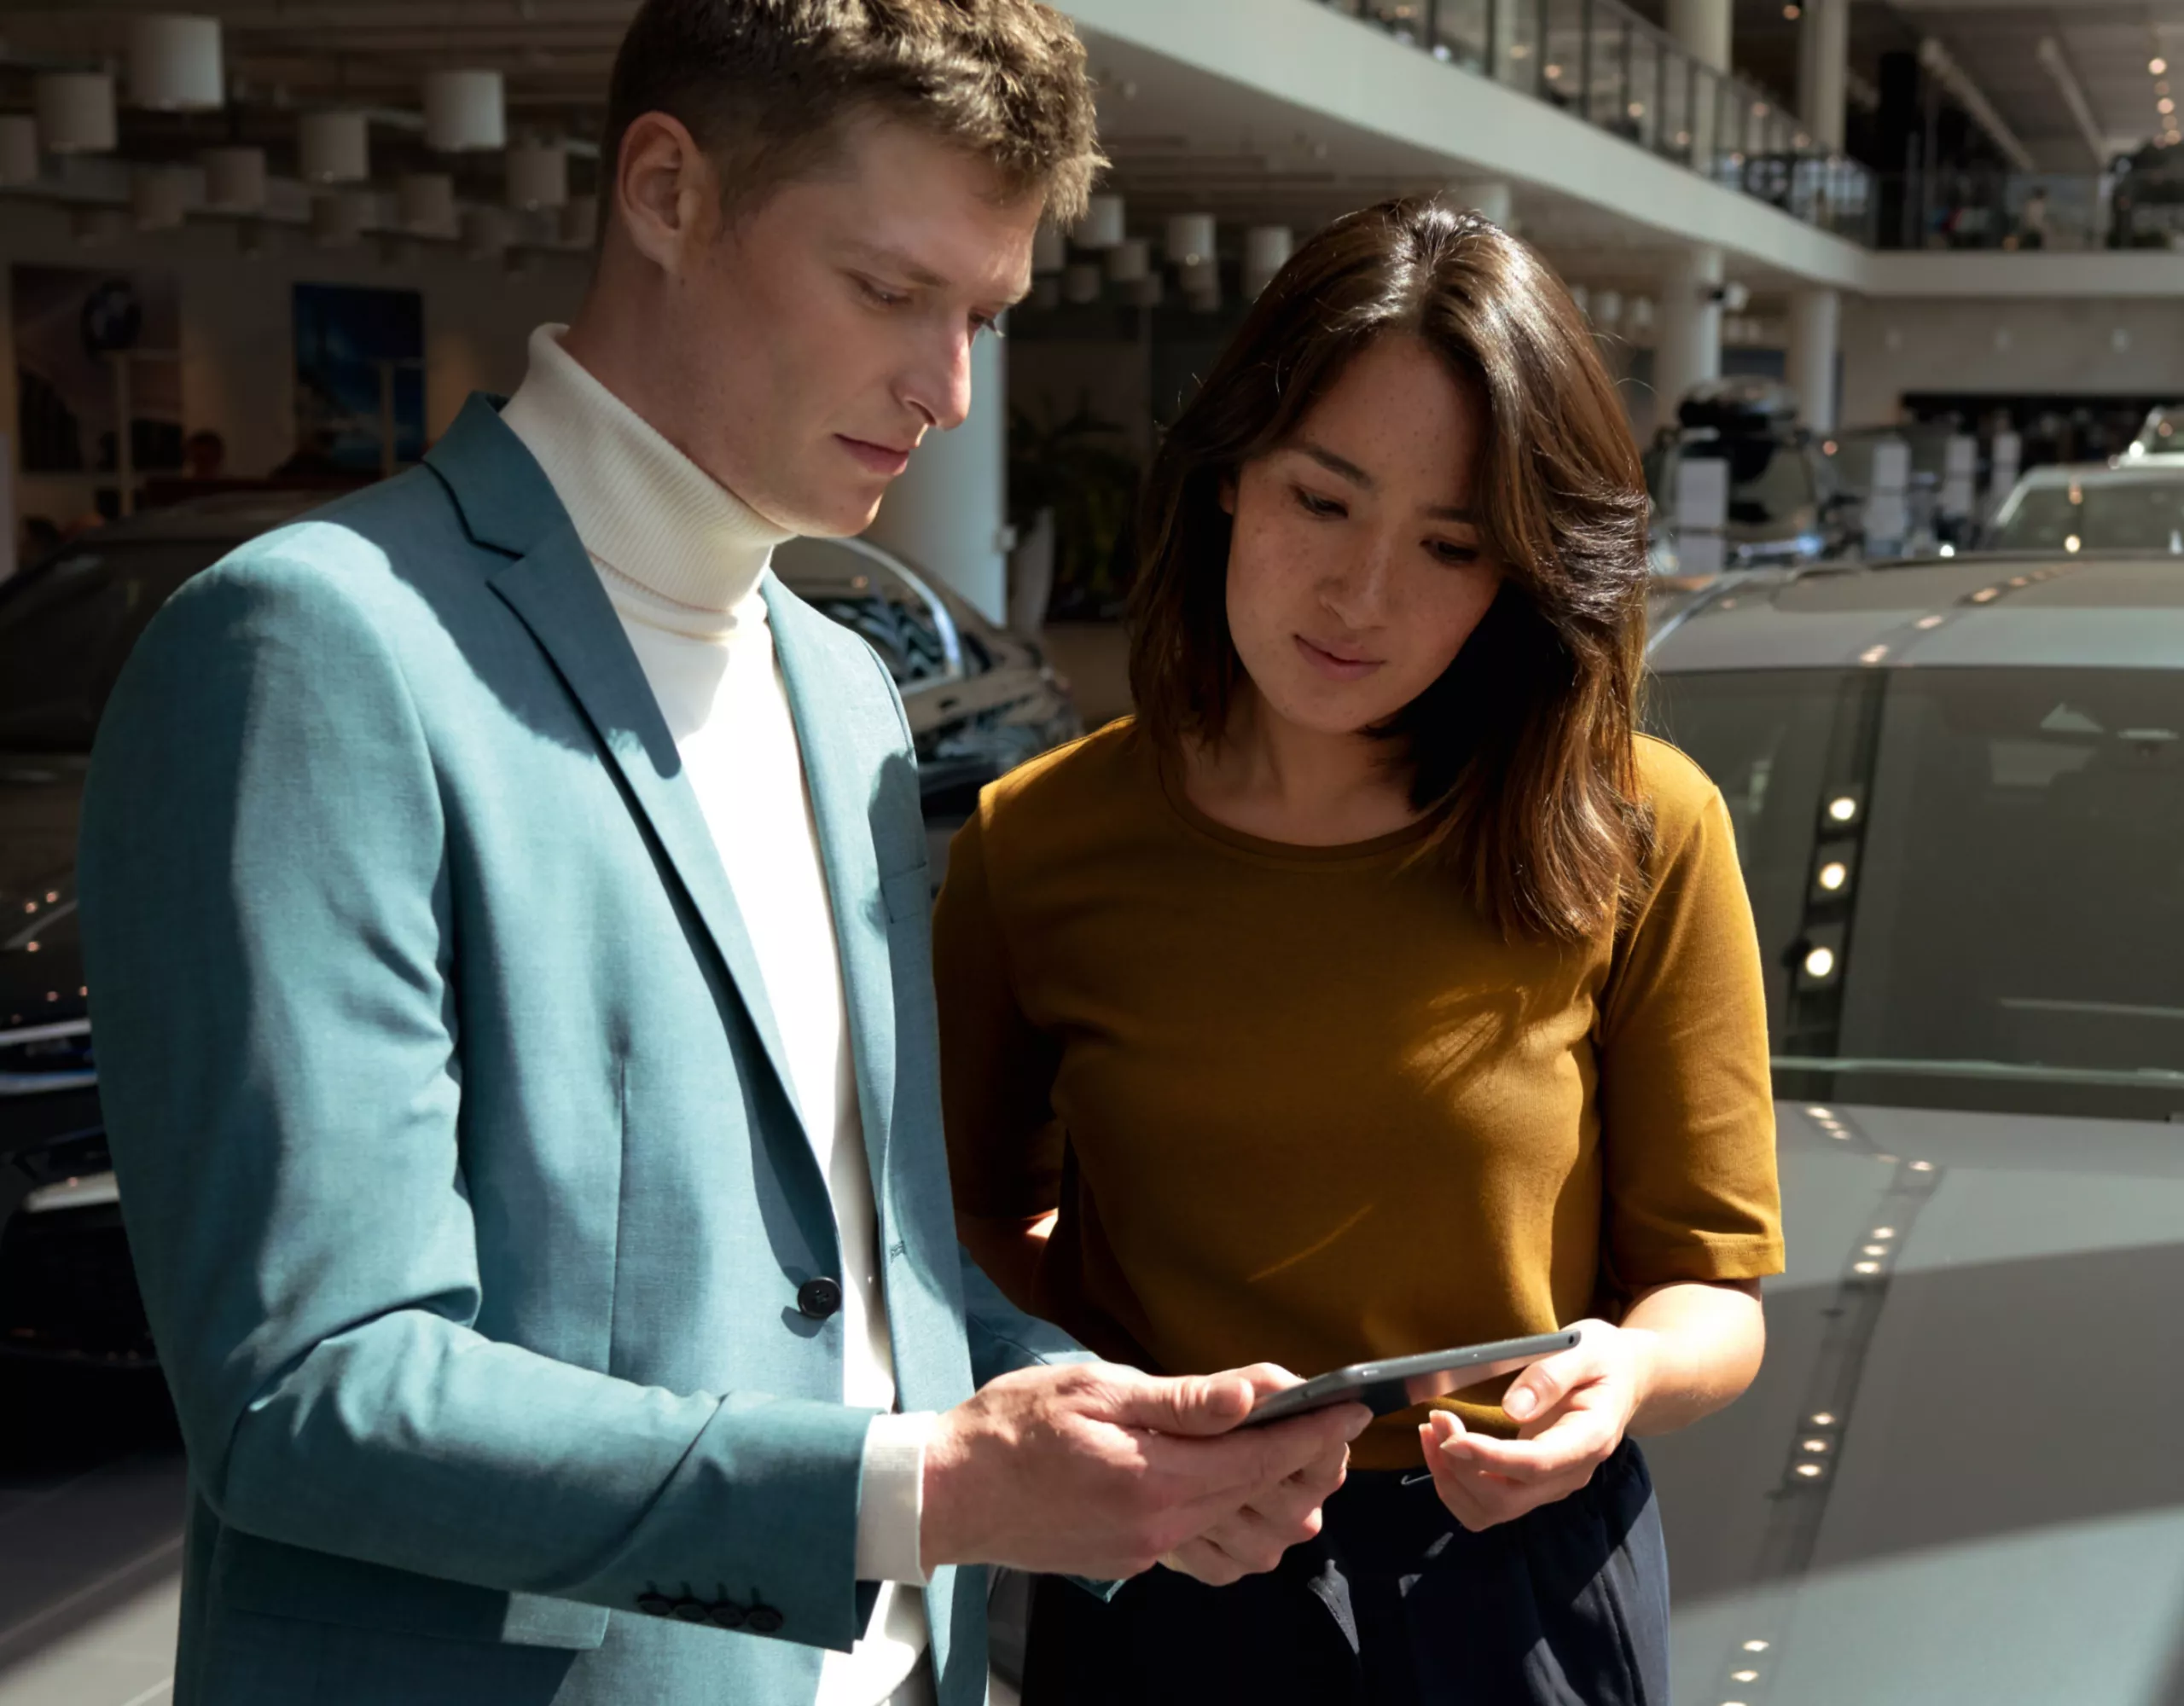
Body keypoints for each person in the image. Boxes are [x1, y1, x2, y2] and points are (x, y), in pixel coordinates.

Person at [74, 6, 1365, 1706]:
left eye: (980, 315)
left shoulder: (839, 689)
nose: (948, 388)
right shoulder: (317, 651)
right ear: (666, 193)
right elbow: (309, 1390)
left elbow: (845, 1261)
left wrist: (1074, 1413)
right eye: (891, 293)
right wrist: (935, 1490)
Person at [935, 198, 1785, 1704]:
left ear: (1520, 575)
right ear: (1225, 484)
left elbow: (1715, 1296)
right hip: (1166, 1576)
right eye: (1322, 502)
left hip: (1520, 1583)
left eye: (1450, 545)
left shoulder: (1640, 826)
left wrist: (1624, 1382)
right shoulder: (1038, 842)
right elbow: (976, 1243)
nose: (1360, 597)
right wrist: (1129, 1423)